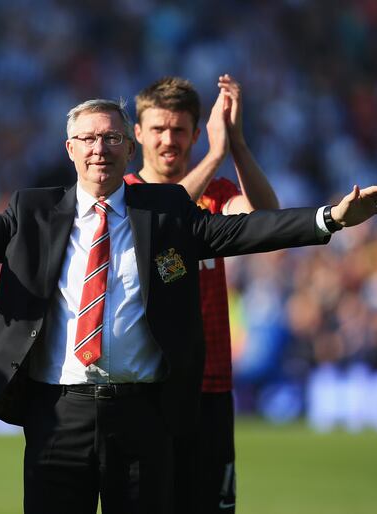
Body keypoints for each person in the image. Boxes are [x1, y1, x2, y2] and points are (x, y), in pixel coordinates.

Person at [0, 99, 377, 513]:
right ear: (70, 150)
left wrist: (330, 219)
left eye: (112, 138)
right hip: (55, 415)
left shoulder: (165, 211)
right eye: (89, 139)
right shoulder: (35, 210)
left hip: (143, 415)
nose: (101, 149)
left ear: (127, 146)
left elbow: (248, 233)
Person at [128, 74, 278, 512]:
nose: (168, 140)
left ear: (196, 132)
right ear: (138, 134)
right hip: (147, 386)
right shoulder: (126, 196)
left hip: (211, 384)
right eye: (158, 129)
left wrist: (237, 145)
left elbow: (268, 219)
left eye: (178, 129)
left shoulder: (218, 195)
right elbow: (161, 225)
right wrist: (214, 154)